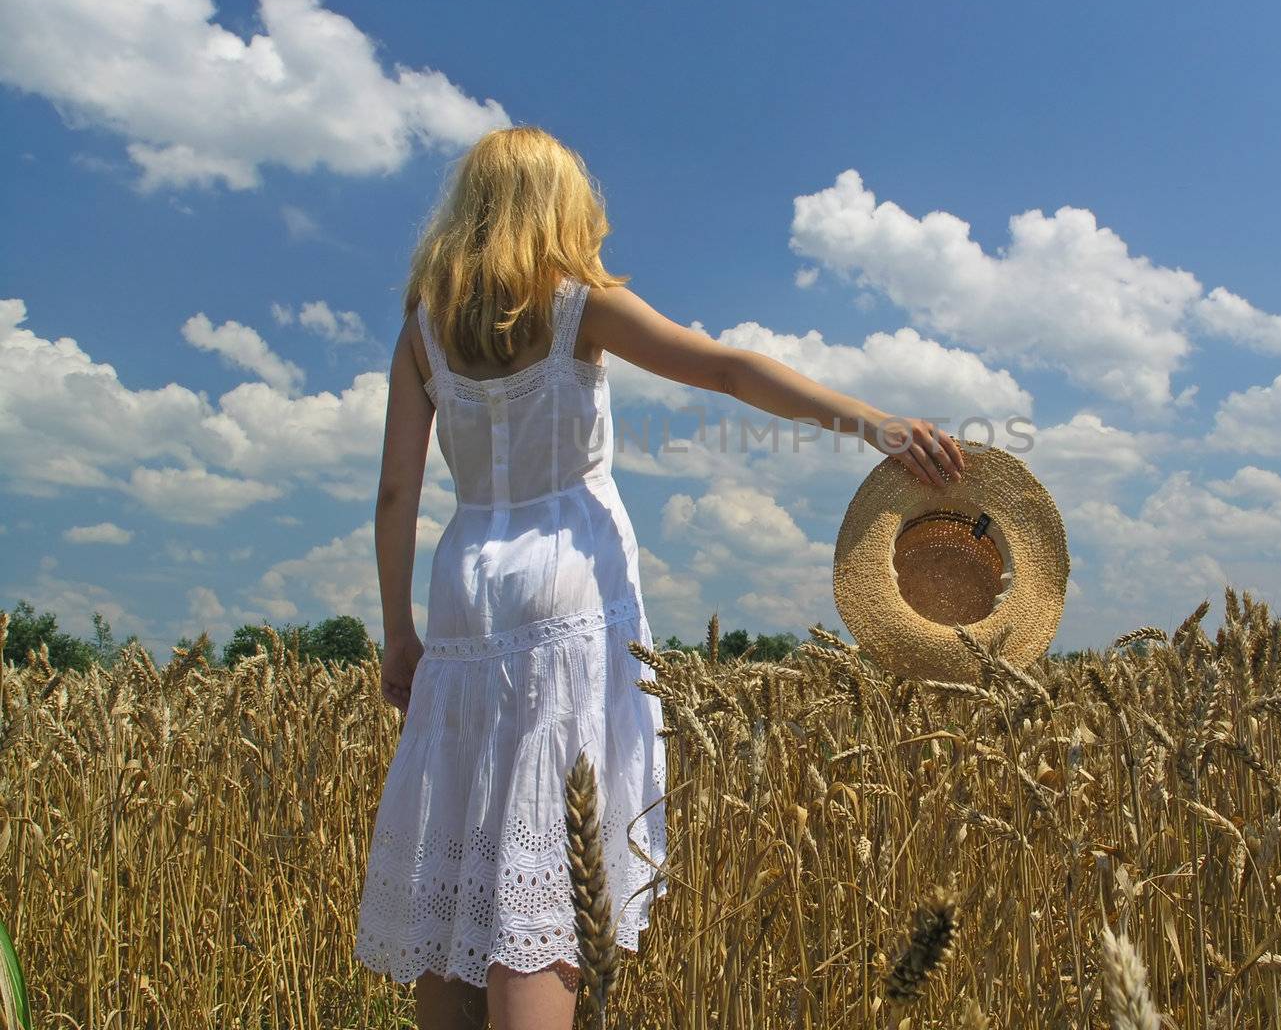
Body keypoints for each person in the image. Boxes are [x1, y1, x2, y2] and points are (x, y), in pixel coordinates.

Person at [353, 125, 964, 1030]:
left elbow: (397, 491)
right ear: (558, 207)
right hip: (566, 583)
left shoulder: (423, 329)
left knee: (462, 868)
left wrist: (398, 632)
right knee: (547, 883)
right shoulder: (575, 305)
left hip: (462, 590)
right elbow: (722, 367)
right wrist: (871, 421)